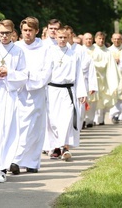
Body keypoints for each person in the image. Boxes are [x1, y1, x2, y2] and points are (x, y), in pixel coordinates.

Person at [0, 19, 27, 183]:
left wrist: (9, 72)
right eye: (1, 33)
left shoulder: (18, 51)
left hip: (8, 94)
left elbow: (24, 75)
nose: (4, 36)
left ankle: (1, 168)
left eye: (7, 33)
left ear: (13, 33)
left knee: (5, 130)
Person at [14, 17, 53, 173]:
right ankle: (15, 160)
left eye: (30, 30)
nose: (27, 33)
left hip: (36, 92)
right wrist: (19, 79)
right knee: (18, 127)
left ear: (37, 31)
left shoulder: (45, 49)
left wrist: (28, 77)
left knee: (34, 128)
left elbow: (47, 73)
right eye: (25, 30)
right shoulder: (15, 47)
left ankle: (31, 162)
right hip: (18, 92)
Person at [46, 27, 87, 161]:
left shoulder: (74, 54)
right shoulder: (50, 52)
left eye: (65, 37)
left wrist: (82, 93)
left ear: (68, 37)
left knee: (67, 119)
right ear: (56, 38)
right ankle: (56, 147)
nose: (62, 40)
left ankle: (65, 148)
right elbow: (46, 73)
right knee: (53, 121)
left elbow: (78, 75)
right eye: (60, 37)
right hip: (53, 90)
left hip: (68, 91)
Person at [90, 32, 119, 127]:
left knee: (103, 99)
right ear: (95, 39)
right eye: (99, 38)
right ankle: (92, 119)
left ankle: (101, 119)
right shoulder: (92, 50)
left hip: (104, 78)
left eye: (102, 39)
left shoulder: (107, 51)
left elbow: (111, 66)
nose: (101, 40)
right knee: (94, 100)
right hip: (94, 79)